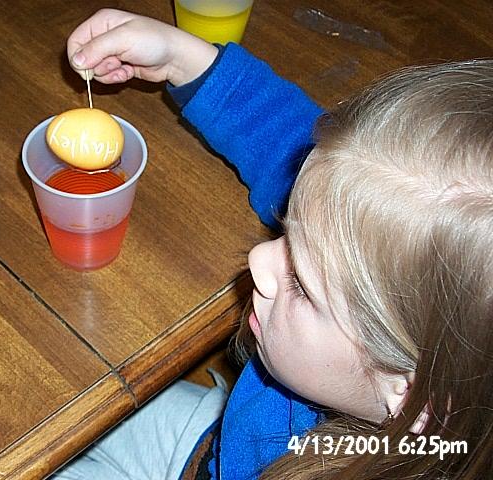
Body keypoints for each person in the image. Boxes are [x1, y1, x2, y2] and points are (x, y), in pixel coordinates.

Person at [53, 9, 493, 480]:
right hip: (214, 444)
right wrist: (182, 58)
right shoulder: (369, 266)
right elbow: (296, 150)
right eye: (287, 228)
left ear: (409, 397)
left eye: (301, 284)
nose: (258, 258)